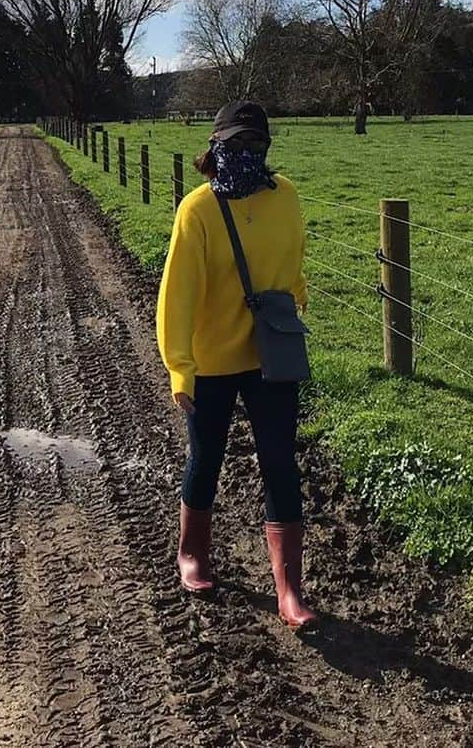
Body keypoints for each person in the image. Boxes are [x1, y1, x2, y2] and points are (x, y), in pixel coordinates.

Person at [156, 100, 319, 630]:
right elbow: (176, 296)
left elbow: (294, 259)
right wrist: (180, 367)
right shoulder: (197, 210)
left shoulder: (287, 196)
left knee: (280, 462)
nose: (246, 156)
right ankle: (193, 554)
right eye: (235, 147)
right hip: (211, 361)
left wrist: (293, 304)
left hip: (270, 354)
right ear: (215, 149)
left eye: (255, 147)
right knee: (207, 457)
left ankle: (290, 588)